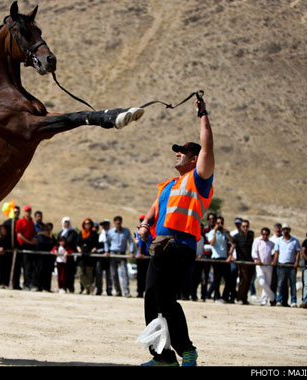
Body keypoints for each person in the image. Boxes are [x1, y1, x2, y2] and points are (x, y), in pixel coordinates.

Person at [138, 97, 214, 366]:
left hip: (180, 246)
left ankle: (187, 350)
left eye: (183, 151)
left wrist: (203, 114)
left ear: (195, 159)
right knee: (150, 299)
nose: (177, 153)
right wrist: (146, 223)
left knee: (166, 301)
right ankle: (162, 356)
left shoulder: (198, 179)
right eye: (177, 151)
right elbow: (154, 206)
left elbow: (207, 146)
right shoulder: (170, 183)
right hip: (160, 246)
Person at [105, 215, 135, 297]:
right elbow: (106, 242)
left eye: (119, 222)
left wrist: (132, 251)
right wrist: (106, 251)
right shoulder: (110, 232)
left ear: (121, 222)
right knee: (113, 274)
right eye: (116, 222)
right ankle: (118, 291)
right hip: (113, 253)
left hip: (122, 254)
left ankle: (126, 291)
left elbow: (131, 241)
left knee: (124, 273)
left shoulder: (126, 231)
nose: (118, 223)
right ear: (114, 222)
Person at [206, 216, 234, 303]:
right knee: (217, 279)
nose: (219, 225)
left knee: (228, 279)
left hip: (225, 258)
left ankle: (224, 296)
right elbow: (212, 243)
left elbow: (232, 242)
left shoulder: (225, 233)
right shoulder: (211, 232)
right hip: (216, 257)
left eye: (221, 223)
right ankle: (216, 296)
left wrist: (227, 233)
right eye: (218, 223)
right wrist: (215, 232)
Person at [273, 223, 301, 307]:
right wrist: (275, 261)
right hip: (281, 265)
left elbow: (298, 252)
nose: (285, 231)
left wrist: (296, 262)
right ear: (282, 231)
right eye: (284, 229)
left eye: (287, 229)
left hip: (291, 265)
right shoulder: (279, 241)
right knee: (280, 284)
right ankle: (279, 300)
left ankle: (293, 301)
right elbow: (276, 252)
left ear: (289, 230)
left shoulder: (295, 241)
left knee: (292, 284)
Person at [229, 219, 255, 305]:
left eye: (247, 226)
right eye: (244, 226)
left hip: (250, 260)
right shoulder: (237, 236)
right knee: (244, 279)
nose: (245, 228)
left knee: (249, 280)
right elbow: (233, 246)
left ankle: (244, 298)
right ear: (241, 227)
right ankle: (239, 297)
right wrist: (230, 255)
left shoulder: (251, 235)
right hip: (242, 260)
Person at [16, 205, 39, 291]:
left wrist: (34, 240)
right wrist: (29, 241)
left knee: (31, 266)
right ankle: (26, 284)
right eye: (27, 211)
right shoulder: (20, 222)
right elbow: (19, 234)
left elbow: (33, 233)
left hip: (30, 245)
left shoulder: (31, 222)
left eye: (29, 211)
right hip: (23, 245)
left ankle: (30, 283)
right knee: (26, 266)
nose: (28, 213)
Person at [252, 227, 276, 306]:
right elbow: (254, 252)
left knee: (267, 284)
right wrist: (257, 259)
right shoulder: (257, 241)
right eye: (263, 234)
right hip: (260, 266)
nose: (264, 236)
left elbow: (273, 254)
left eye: (266, 234)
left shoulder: (271, 243)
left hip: (268, 266)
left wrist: (273, 260)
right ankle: (272, 297)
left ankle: (264, 300)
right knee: (262, 282)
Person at [77, 217, 99, 295]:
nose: (87, 225)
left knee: (89, 273)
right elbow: (78, 243)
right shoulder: (81, 233)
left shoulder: (94, 234)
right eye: (86, 223)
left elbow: (96, 245)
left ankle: (88, 291)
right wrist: (79, 249)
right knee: (80, 273)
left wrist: (93, 250)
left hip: (90, 256)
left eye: (89, 223)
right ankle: (89, 287)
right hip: (81, 255)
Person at [3, 205, 22, 290]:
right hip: (8, 249)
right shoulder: (7, 223)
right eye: (15, 212)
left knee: (17, 268)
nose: (16, 213)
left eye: (17, 212)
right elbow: (4, 235)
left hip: (18, 249)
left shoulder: (21, 222)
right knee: (6, 267)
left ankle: (16, 285)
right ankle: (5, 283)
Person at [58, 217, 78, 293]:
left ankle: (70, 287)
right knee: (62, 273)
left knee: (70, 272)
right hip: (61, 257)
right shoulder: (60, 233)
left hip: (70, 256)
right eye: (65, 223)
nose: (66, 224)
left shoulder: (73, 233)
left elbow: (75, 244)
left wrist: (70, 251)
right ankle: (63, 287)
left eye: (68, 223)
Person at [135, 215, 152, 298]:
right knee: (140, 275)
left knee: (148, 276)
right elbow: (140, 243)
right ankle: (140, 291)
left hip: (148, 256)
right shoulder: (139, 231)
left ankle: (147, 292)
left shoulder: (151, 231)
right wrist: (140, 253)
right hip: (142, 256)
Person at [37, 222, 56, 292]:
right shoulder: (40, 235)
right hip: (42, 258)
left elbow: (54, 244)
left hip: (49, 258)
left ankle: (47, 287)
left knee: (48, 273)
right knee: (41, 272)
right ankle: (40, 287)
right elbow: (41, 243)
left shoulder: (51, 236)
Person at [95, 219, 112, 296]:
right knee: (98, 274)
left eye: (106, 224)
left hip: (109, 257)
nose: (105, 226)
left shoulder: (111, 234)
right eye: (103, 225)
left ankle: (109, 290)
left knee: (109, 274)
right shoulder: (99, 235)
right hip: (100, 257)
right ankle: (99, 289)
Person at [0, 223, 13, 289]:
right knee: (0, 270)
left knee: (7, 270)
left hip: (7, 257)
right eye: (2, 229)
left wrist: (4, 248)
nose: (3, 230)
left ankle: (6, 283)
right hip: (0, 258)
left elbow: (9, 244)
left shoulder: (9, 237)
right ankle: (1, 283)